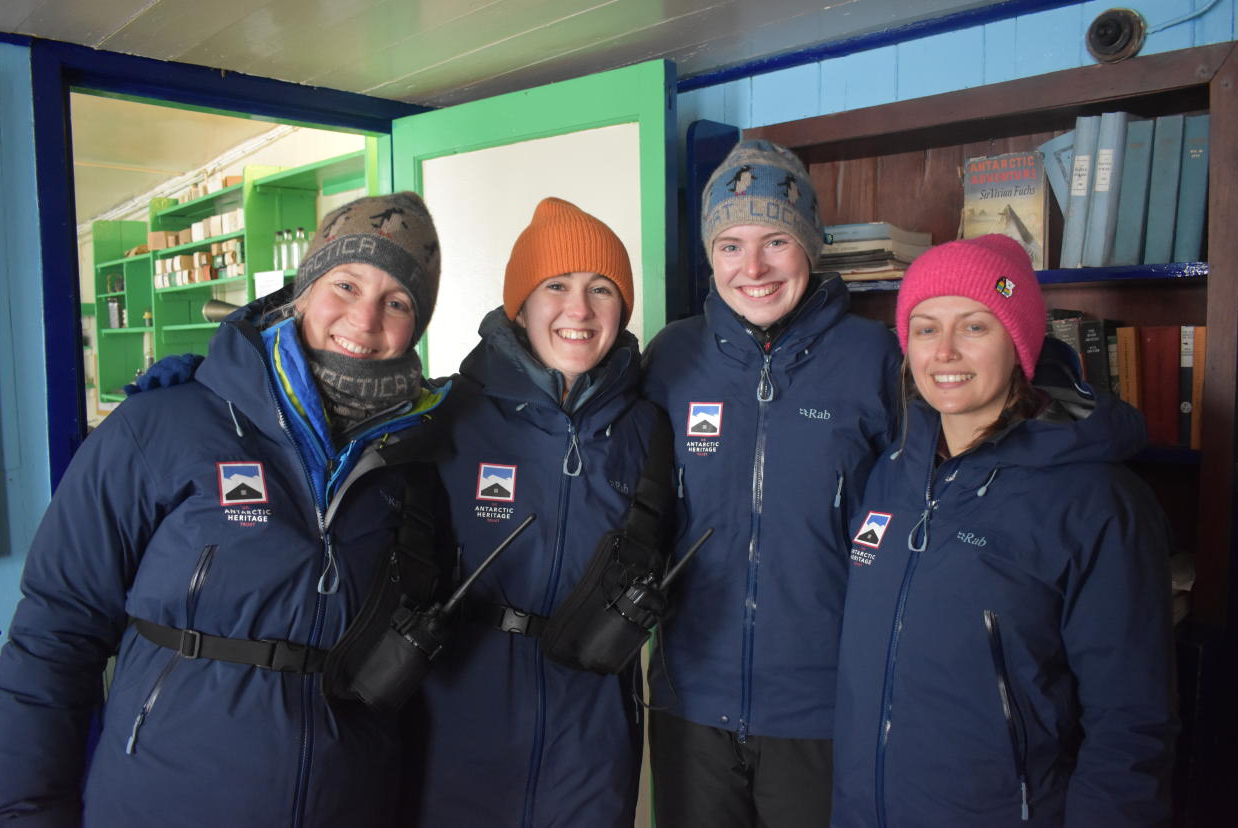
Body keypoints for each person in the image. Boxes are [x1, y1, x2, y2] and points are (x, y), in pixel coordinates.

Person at [0, 192, 451, 827]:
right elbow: (54, 636)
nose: (365, 319)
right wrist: (25, 812)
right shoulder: (162, 426)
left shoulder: (413, 466)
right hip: (161, 801)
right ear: (302, 291)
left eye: (397, 301)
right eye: (345, 284)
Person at [831, 234, 1177, 826]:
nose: (944, 352)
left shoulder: (1099, 502)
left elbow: (1131, 725)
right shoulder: (890, 472)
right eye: (924, 328)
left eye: (974, 327)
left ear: (1020, 344)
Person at [641, 139, 902, 826]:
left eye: (775, 240)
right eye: (730, 245)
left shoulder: (876, 359)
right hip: (689, 699)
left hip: (824, 707)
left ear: (811, 246)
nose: (752, 268)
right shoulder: (673, 357)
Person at [412, 197, 662, 827]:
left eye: (601, 289)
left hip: (592, 724)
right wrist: (196, 377)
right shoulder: (443, 413)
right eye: (556, 286)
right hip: (458, 713)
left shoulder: (648, 427)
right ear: (519, 306)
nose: (579, 310)